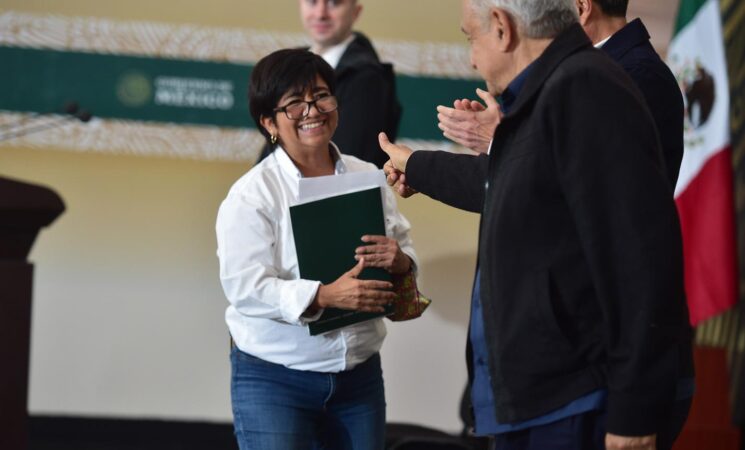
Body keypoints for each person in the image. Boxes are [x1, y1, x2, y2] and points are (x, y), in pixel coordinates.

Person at [380, 1, 693, 449]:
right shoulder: (552, 92)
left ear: (503, 30)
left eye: (471, 36)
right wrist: (426, 164)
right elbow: (515, 186)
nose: (471, 56)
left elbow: (638, 258)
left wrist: (634, 410)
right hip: (545, 393)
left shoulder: (586, 87)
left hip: (580, 398)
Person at [216, 48, 416, 450]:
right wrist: (324, 295)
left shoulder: (369, 177)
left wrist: (400, 261)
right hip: (275, 377)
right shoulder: (252, 194)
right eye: (294, 104)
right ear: (269, 122)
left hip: (359, 375)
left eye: (322, 96)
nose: (313, 110)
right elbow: (245, 287)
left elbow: (404, 247)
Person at [436, 0, 684, 190]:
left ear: (581, 7)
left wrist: (502, 139)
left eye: (554, 9)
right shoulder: (582, 73)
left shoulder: (637, 76)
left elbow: (581, 180)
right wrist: (510, 130)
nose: (542, 21)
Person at [256, 0, 401, 169]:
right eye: (312, 2)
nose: (320, 14)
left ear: (356, 11)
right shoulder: (289, 64)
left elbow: (348, 170)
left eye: (334, 3)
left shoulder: (369, 79)